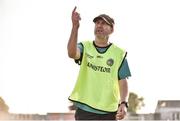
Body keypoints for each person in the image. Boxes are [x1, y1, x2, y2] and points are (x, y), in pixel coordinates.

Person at [67, 6, 131, 120]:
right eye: (97, 23)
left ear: (112, 29)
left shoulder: (118, 53)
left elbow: (122, 80)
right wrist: (75, 27)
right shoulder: (85, 46)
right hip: (85, 110)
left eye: (104, 23)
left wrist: (123, 103)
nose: (99, 25)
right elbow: (72, 53)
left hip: (109, 111)